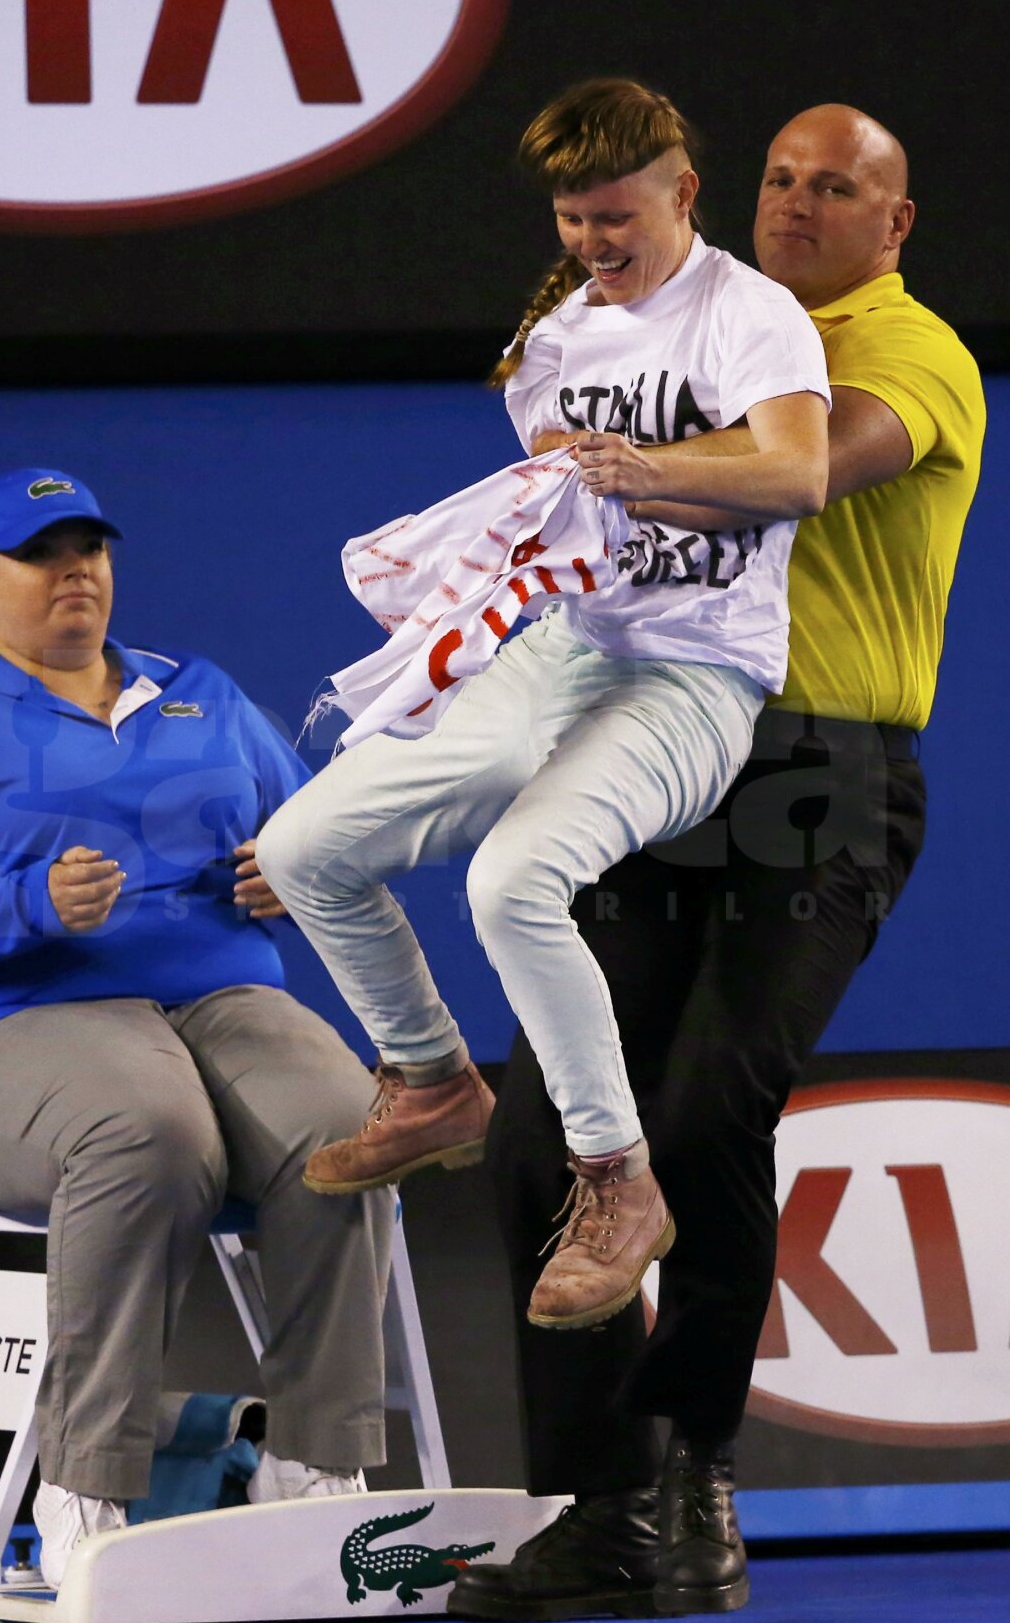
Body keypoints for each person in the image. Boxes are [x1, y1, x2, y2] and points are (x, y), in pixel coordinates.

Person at [448, 104, 985, 1622]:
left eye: (841, 189)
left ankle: (694, 1477)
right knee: (545, 1130)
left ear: (896, 222)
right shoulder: (690, 319)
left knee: (700, 1109)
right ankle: (602, 1506)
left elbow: (811, 464)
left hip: (822, 771)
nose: (802, 204)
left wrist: (610, 455)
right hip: (657, 740)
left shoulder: (909, 346)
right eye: (783, 181)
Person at [256, 79, 829, 1339]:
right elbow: (571, 523)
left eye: (615, 215)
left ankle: (619, 1183)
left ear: (682, 192)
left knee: (512, 882)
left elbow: (798, 471)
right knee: (304, 847)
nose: (592, 242)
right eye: (573, 219)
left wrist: (650, 471)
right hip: (567, 643)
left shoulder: (753, 315)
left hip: (697, 673)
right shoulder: (560, 340)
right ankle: (428, 1079)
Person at [0, 467, 395, 1589]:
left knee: (346, 1123)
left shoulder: (201, 693)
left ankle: (316, 1469)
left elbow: (317, 833)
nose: (76, 572)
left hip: (220, 1004)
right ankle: (86, 1481)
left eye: (90, 549)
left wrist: (290, 873)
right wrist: (26, 904)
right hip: (13, 1019)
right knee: (147, 1126)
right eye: (44, 554)